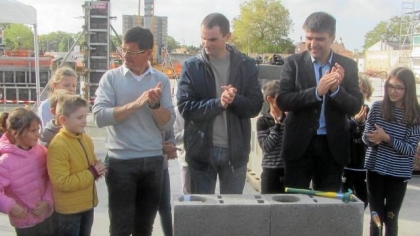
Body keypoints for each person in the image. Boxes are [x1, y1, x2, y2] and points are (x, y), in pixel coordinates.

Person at [92, 26, 175, 236]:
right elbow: (100, 117)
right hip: (121, 161)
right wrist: (136, 104)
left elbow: (167, 123)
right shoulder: (111, 78)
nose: (125, 56)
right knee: (120, 226)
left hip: (153, 161)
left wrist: (155, 106)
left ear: (148, 53)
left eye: (132, 52)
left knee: (145, 227)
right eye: (123, 50)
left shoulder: (161, 81)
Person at [176, 13, 263, 194]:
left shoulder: (246, 65)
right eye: (203, 39)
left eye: (213, 39)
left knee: (231, 215)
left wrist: (234, 100)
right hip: (201, 153)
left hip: (235, 154)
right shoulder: (192, 67)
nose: (206, 44)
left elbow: (255, 106)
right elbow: (185, 108)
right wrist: (219, 103)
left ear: (227, 36)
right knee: (202, 214)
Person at [277, 11, 363, 192]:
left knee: (327, 206)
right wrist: (316, 92)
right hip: (299, 145)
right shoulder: (293, 63)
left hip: (332, 147)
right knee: (295, 203)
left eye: (319, 39)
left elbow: (355, 105)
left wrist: (336, 91)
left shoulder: (347, 66)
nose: (312, 44)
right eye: (308, 38)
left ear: (332, 38)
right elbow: (283, 100)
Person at [363, 67, 420, 236]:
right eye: (390, 86)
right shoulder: (377, 107)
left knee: (391, 217)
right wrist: (373, 138)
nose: (393, 91)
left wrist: (387, 138)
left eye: (399, 88)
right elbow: (365, 138)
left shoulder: (415, 115)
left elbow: (410, 149)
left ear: (408, 89)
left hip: (398, 173)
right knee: (375, 217)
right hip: (374, 170)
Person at [47, 94, 106, 236]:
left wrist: (98, 169)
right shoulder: (58, 145)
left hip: (87, 204)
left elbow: (90, 165)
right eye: (80, 118)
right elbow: (62, 182)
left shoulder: (86, 139)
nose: (85, 121)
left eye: (85, 116)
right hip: (69, 211)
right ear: (63, 120)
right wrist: (92, 172)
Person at [0, 108, 55, 236]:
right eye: (32, 131)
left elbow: (50, 179)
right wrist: (11, 206)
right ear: (15, 133)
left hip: (46, 216)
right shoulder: (5, 162)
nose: (38, 134)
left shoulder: (41, 151)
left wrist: (47, 201)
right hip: (24, 222)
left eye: (38, 130)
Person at [342, 76, 373, 208]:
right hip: (346, 165)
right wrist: (355, 122)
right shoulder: (344, 111)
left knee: (363, 201)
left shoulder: (371, 112)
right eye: (357, 90)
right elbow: (341, 133)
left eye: (364, 91)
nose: (360, 94)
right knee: (345, 201)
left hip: (363, 165)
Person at [257, 80, 286, 194]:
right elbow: (266, 146)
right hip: (270, 172)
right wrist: (277, 127)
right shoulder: (263, 121)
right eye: (280, 97)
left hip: (288, 171)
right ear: (270, 99)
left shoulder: (290, 118)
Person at [159, 129, 177, 236]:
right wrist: (160, 147)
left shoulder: (166, 112)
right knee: (143, 211)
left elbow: (170, 135)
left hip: (162, 166)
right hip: (140, 166)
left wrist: (171, 144)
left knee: (165, 207)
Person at [173, 107, 190, 194]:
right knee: (187, 192)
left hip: (201, 159)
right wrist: (188, 130)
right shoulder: (177, 111)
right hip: (185, 159)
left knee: (203, 194)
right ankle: (188, 206)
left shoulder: (201, 106)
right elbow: (175, 138)